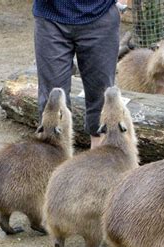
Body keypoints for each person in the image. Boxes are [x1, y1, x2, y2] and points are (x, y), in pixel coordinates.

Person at [33, 0, 126, 148]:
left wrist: (121, 4)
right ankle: (54, 159)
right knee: (52, 98)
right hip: (50, 19)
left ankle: (98, 158)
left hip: (101, 16)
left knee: (101, 94)